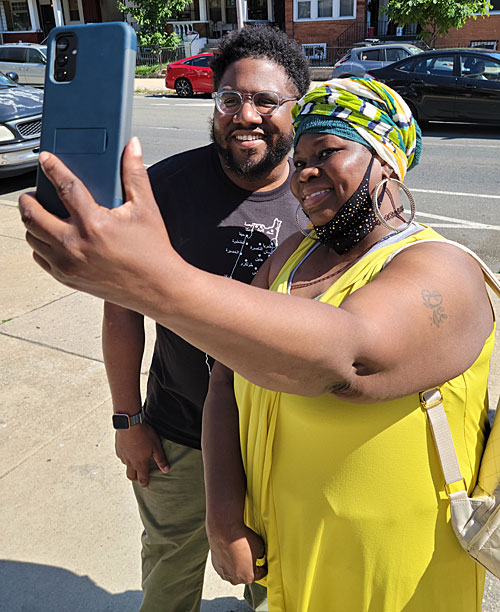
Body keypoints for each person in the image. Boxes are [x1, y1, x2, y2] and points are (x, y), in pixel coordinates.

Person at [19, 78, 494, 611]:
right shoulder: (294, 254)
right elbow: (225, 374)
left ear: (387, 160)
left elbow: (350, 358)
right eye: (301, 158)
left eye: (328, 151)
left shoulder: (444, 268)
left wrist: (153, 280)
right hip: (287, 549)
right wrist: (223, 515)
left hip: (393, 569)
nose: (304, 174)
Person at [101, 26, 309, 612]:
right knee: (169, 576)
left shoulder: (321, 192)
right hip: (178, 433)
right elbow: (122, 309)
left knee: (278, 581)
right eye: (230, 99)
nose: (246, 115)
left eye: (267, 101)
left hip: (285, 437)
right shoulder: (163, 189)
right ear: (214, 107)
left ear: (297, 109)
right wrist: (127, 420)